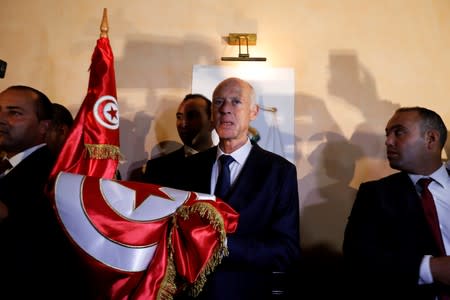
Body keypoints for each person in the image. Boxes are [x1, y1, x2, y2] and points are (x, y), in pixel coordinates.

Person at [175, 77, 301, 300]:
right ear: (212, 114)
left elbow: (286, 250)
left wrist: (220, 243)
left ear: (254, 112)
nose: (225, 109)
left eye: (236, 102)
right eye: (219, 102)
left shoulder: (279, 172)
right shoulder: (188, 168)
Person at [343, 106, 450, 299]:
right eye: (387, 134)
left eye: (398, 132)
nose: (388, 141)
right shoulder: (375, 194)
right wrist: (431, 268)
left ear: (431, 139)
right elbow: (358, 259)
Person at [0, 85, 88, 298]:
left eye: (14, 113)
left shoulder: (54, 174)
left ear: (44, 127)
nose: (1, 119)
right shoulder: (5, 166)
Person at [141, 93, 213, 187]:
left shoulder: (226, 166)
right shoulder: (157, 168)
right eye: (179, 117)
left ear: (212, 122)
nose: (183, 123)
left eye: (192, 116)